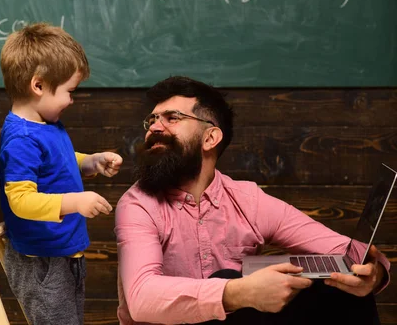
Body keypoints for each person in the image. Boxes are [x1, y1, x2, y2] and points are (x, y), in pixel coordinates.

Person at [115, 76, 390, 325]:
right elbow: (141, 299)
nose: (154, 128)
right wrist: (239, 292)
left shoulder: (249, 200)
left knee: (339, 287)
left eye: (171, 118)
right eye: (151, 120)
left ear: (210, 137)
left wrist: (373, 274)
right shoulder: (138, 203)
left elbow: (345, 251)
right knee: (228, 281)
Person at [0, 23, 123, 325]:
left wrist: (89, 162)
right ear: (38, 85)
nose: (71, 100)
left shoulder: (45, 125)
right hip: (42, 262)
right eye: (69, 91)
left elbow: (56, 162)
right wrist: (75, 203)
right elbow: (20, 199)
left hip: (61, 253)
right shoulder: (22, 139)